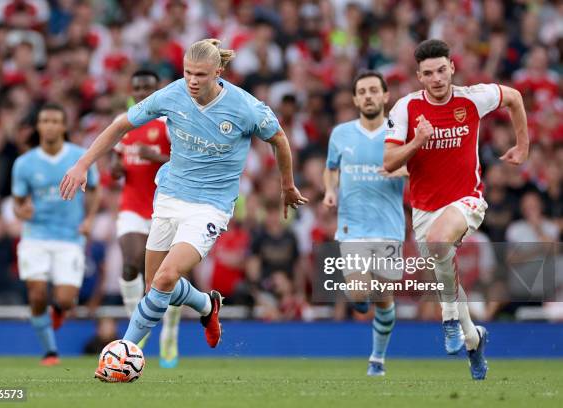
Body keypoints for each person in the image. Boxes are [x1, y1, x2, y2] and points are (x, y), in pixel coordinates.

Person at [58, 38, 307, 381]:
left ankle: (122, 355)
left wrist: (287, 184)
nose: (192, 80)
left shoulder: (245, 107)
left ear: (218, 72)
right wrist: (82, 164)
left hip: (210, 207)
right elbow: (120, 125)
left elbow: (278, 138)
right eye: (188, 73)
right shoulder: (173, 94)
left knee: (164, 278)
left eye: (201, 75)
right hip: (170, 197)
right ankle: (207, 305)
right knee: (154, 288)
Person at [383, 39, 529, 380]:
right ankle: (473, 338)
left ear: (452, 68)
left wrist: (523, 145)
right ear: (419, 76)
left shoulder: (472, 98)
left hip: (467, 198)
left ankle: (448, 317)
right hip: (424, 208)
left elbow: (515, 98)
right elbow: (389, 162)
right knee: (441, 260)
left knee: (438, 245)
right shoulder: (406, 108)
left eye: (441, 70)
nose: (436, 78)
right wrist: (418, 141)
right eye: (428, 73)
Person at [323, 71, 406, 376]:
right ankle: (360, 300)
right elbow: (331, 168)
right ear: (356, 99)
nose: (368, 95)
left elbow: (420, 167)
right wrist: (331, 190)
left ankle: (378, 359)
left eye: (374, 90)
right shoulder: (341, 134)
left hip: (389, 226)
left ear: (386, 96)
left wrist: (404, 171)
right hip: (352, 226)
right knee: (359, 291)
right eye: (362, 91)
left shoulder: (399, 133)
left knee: (384, 299)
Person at [12, 103, 101, 366]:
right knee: (37, 294)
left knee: (65, 298)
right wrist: (22, 211)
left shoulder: (80, 157)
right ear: (38, 126)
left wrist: (89, 218)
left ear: (63, 126)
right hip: (35, 235)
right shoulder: (24, 163)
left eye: (54, 121)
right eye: (45, 121)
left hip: (69, 237)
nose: (49, 125)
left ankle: (60, 309)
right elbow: (18, 203)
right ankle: (50, 351)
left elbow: (95, 189)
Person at [111, 69, 181, 368]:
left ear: (157, 90)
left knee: (170, 276)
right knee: (130, 264)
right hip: (131, 208)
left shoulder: (168, 124)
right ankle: (136, 326)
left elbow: (187, 161)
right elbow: (117, 163)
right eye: (137, 87)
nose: (141, 93)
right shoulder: (124, 123)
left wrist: (157, 158)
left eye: (147, 88)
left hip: (165, 208)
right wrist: (116, 170)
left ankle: (170, 331)